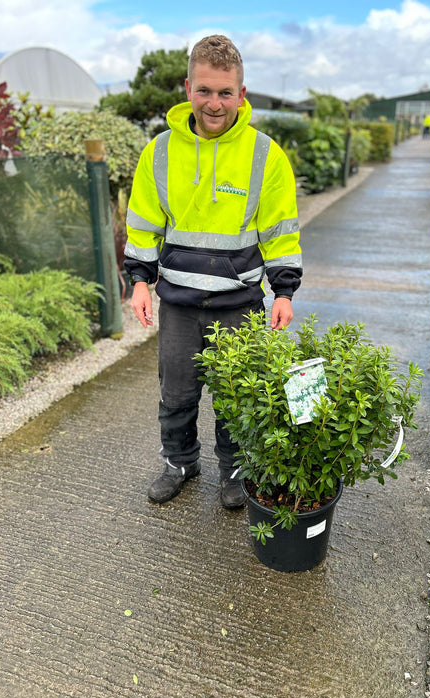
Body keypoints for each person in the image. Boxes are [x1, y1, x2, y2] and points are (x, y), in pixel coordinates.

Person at [124, 35, 302, 509]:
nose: (214, 103)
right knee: (176, 392)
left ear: (242, 94)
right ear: (188, 88)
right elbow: (142, 225)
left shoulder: (266, 156)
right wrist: (139, 281)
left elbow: (281, 233)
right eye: (204, 90)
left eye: (225, 92)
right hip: (179, 304)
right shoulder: (158, 153)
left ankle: (234, 469)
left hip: (238, 303)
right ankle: (180, 462)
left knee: (235, 398)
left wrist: (283, 292)